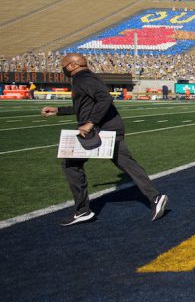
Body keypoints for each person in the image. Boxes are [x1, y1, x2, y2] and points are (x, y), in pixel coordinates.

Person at [41, 53, 168, 226]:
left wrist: (90, 123)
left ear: (72, 65)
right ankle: (155, 197)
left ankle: (83, 210)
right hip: (109, 128)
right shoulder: (87, 77)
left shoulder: (82, 78)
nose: (62, 69)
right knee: (126, 164)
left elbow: (105, 98)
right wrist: (59, 110)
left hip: (101, 130)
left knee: (70, 164)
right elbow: (85, 105)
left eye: (63, 66)